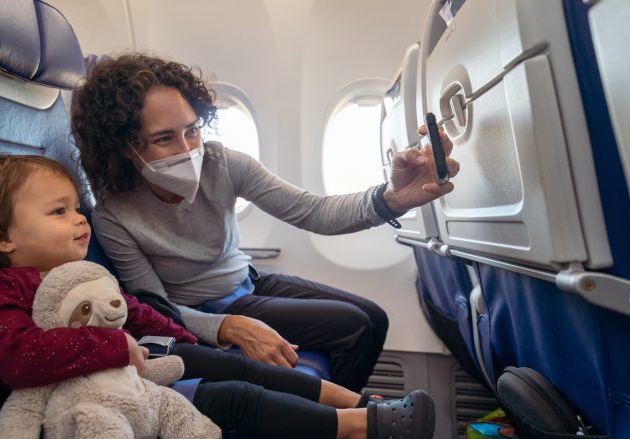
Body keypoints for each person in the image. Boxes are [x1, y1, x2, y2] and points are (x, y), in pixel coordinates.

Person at [0, 153, 436, 439]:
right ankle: (357, 430)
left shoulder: (82, 274)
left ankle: (358, 403)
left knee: (230, 364)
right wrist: (115, 344)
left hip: (135, 367)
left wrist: (186, 338)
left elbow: (134, 310)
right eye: (59, 212)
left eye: (77, 207)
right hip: (96, 404)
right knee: (234, 398)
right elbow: (18, 356)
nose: (80, 220)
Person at [71, 53, 459, 392]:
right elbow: (157, 309)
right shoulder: (113, 215)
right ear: (125, 146)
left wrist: (391, 198)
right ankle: (340, 425)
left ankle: (342, 418)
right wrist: (228, 326)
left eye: (192, 130)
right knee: (355, 327)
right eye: (165, 139)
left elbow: (315, 212)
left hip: (247, 280)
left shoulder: (224, 164)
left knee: (374, 317)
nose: (189, 149)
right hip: (202, 306)